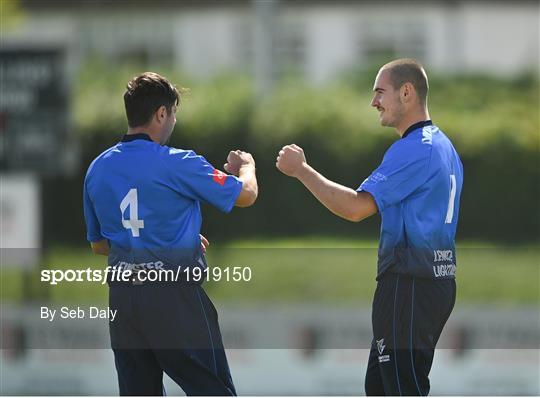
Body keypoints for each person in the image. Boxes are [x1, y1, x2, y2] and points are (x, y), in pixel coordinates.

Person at [276, 59, 463, 396]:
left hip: (410, 285)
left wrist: (301, 170)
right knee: (379, 387)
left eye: (380, 92)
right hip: (432, 283)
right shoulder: (443, 145)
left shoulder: (413, 150)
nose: (373, 102)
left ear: (406, 92)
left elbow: (355, 208)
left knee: (402, 389)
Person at [83, 72, 257, 396]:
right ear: (162, 113)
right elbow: (246, 195)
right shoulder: (178, 162)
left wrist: (174, 240)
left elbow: (100, 245)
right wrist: (247, 167)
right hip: (172, 295)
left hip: (123, 298)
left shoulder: (98, 168)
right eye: (173, 113)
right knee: (212, 390)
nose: (173, 121)